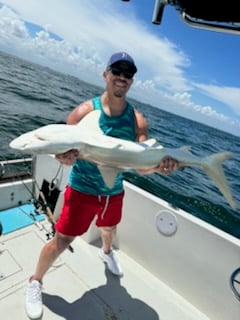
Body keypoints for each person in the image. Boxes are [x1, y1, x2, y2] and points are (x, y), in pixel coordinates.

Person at [25, 52, 179, 319]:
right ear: (105, 74)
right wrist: (62, 158)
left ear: (131, 81)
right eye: (117, 71)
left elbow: (141, 166)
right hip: (82, 189)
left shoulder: (137, 121)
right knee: (62, 240)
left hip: (113, 191)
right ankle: (35, 281)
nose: (122, 77)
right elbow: (62, 154)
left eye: (128, 73)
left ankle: (107, 253)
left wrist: (158, 168)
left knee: (109, 228)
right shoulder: (84, 113)